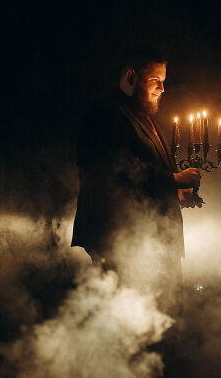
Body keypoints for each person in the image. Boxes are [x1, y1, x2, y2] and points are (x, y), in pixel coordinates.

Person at [71, 47, 201, 314]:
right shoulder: (107, 113)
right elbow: (117, 166)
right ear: (131, 77)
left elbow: (145, 178)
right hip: (124, 241)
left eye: (164, 81)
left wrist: (176, 193)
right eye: (156, 80)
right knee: (131, 318)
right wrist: (174, 179)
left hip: (152, 239)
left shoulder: (140, 117)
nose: (163, 89)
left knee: (160, 319)